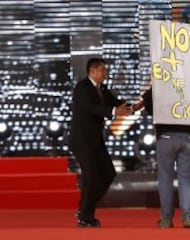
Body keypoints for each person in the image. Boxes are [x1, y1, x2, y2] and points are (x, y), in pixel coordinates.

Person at [69, 58, 131, 227]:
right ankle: (85, 217)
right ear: (93, 71)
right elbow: (92, 108)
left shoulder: (101, 88)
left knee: (109, 173)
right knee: (91, 177)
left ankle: (84, 208)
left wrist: (131, 107)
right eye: (103, 70)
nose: (106, 73)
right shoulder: (82, 88)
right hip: (82, 141)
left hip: (96, 141)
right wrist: (114, 111)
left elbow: (115, 102)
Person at [132, 89, 190, 229]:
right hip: (188, 135)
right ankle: (187, 217)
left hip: (166, 136)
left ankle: (166, 219)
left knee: (165, 178)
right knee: (185, 178)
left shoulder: (164, 82)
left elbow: (146, 97)